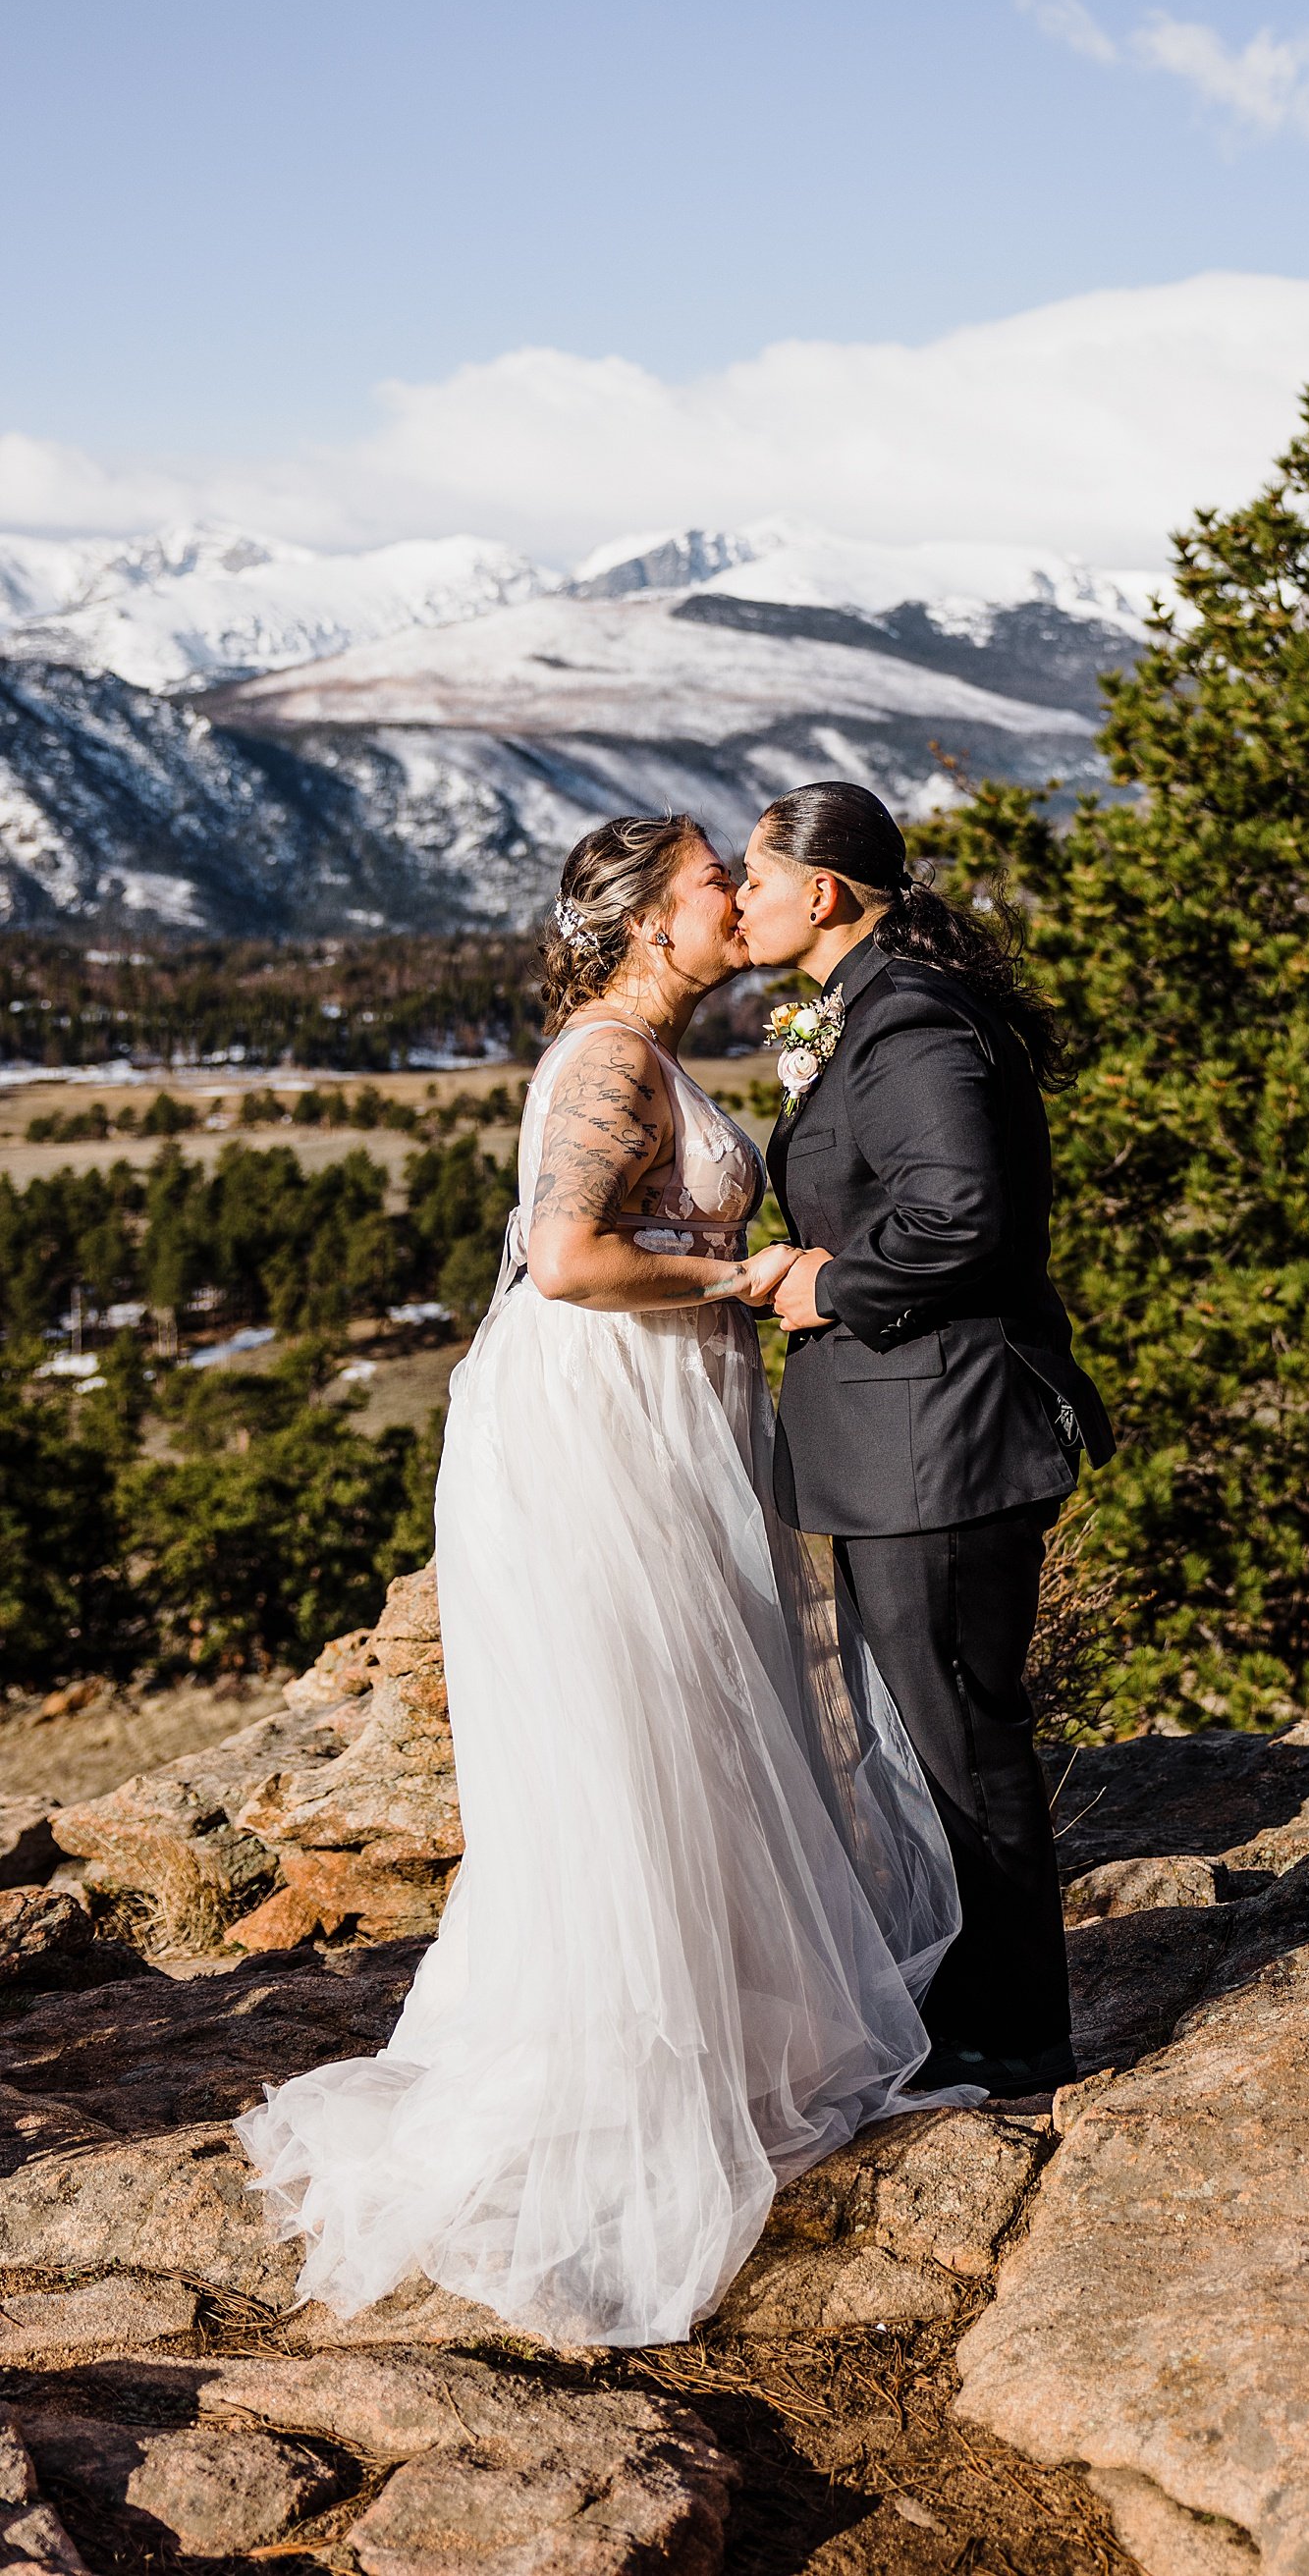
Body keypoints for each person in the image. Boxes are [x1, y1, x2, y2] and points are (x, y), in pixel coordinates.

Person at [237, 815, 968, 2349]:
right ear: (650, 919)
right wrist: (739, 1279)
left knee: (696, 1734)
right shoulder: (606, 1063)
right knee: (633, 1740)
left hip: (669, 1413)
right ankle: (618, 2088)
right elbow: (566, 1258)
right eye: (715, 878)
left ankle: (704, 2045)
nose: (734, 897)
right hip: (602, 1427)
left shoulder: (647, 1050)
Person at [737, 781, 1114, 2099]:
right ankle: (978, 2003)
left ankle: (1013, 2035)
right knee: (941, 1732)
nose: (740, 903)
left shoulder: (908, 1023)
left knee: (964, 1737)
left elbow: (962, 1213)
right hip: (910, 1445)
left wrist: (826, 1282)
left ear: (823, 893)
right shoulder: (882, 1006)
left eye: (754, 880)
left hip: (940, 1446)